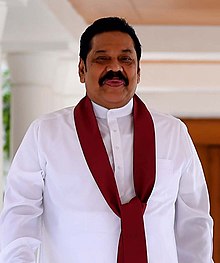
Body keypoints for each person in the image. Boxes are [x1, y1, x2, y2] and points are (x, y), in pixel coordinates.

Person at [0, 17, 213, 263]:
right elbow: (20, 214)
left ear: (138, 71)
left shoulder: (173, 133)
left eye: (126, 59)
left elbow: (194, 223)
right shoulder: (45, 133)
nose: (115, 68)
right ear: (82, 69)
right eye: (102, 58)